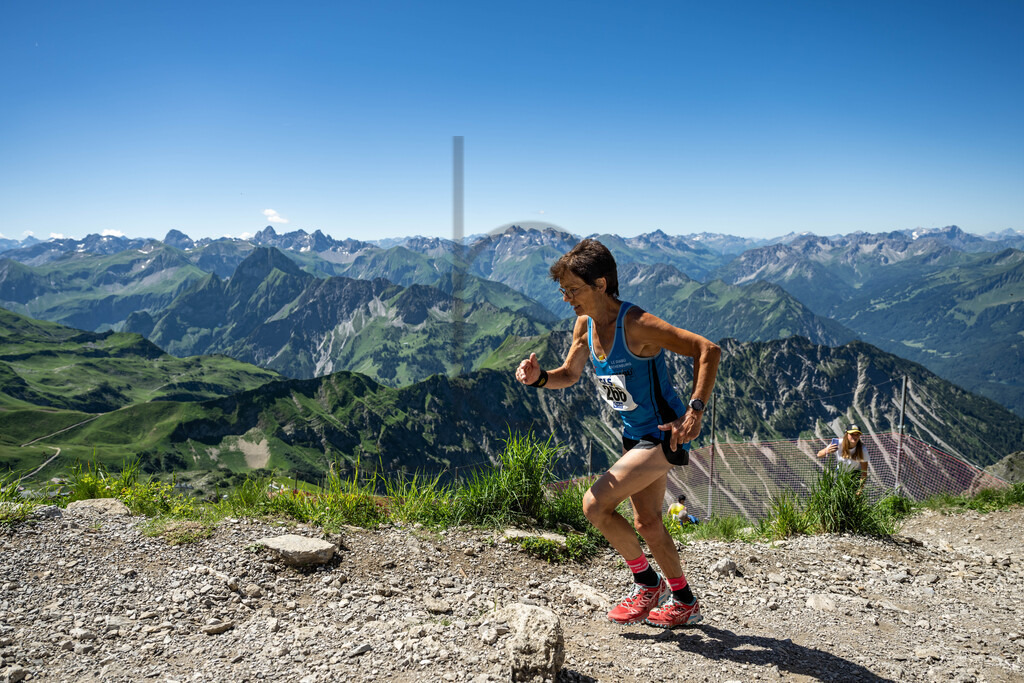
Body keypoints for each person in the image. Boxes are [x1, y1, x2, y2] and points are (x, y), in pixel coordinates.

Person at [515, 238, 721, 629]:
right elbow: (569, 374)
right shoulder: (585, 325)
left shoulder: (637, 324)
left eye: (573, 290)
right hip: (634, 435)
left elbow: (707, 350)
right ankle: (684, 601)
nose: (566, 299)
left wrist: (694, 411)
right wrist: (539, 378)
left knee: (595, 505)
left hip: (664, 435)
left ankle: (648, 584)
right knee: (648, 523)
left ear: (601, 284)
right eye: (563, 291)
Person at [816, 425, 869, 491]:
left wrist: (860, 490)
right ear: (846, 435)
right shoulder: (838, 443)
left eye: (857, 434)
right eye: (852, 434)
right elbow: (819, 455)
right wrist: (827, 451)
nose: (855, 437)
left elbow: (864, 472)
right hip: (840, 473)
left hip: (855, 475)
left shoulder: (863, 450)